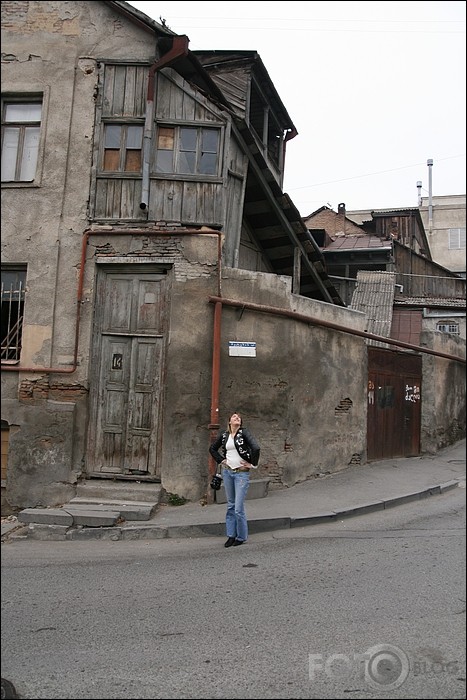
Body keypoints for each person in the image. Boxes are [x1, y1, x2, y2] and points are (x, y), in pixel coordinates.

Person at [209, 412, 260, 547]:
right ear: (229, 422)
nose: (236, 418)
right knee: (230, 505)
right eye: (234, 417)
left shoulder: (244, 433)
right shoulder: (225, 435)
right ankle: (231, 535)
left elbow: (256, 448)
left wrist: (253, 464)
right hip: (228, 473)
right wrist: (221, 460)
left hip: (241, 474)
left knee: (238, 508)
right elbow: (212, 449)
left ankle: (241, 536)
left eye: (238, 417)